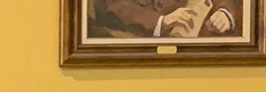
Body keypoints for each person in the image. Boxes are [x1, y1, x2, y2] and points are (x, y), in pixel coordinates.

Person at [90, 0, 239, 38]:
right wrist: (162, 21)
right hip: (134, 46)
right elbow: (111, 7)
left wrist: (225, 13)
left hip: (192, 50)